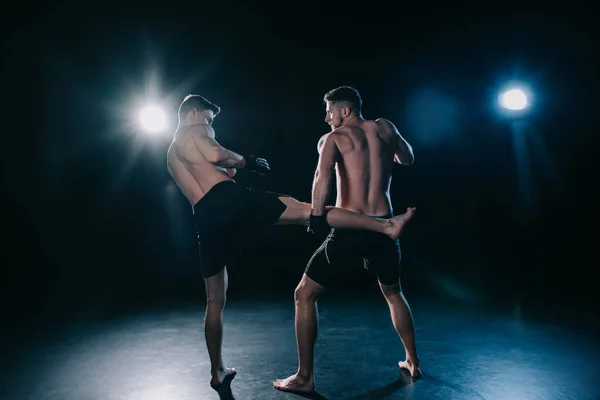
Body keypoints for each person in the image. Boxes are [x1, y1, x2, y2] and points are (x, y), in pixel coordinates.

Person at [166, 94, 416, 390]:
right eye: (208, 118)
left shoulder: (171, 154)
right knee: (308, 212)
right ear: (193, 112)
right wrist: (249, 162)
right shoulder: (196, 129)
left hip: (205, 218)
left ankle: (218, 371)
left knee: (215, 299)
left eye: (329, 112)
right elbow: (217, 155)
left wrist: (233, 167)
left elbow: (212, 171)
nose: (210, 124)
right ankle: (386, 226)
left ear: (343, 111)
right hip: (230, 201)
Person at [273, 86, 421, 394]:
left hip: (350, 230)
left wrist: (315, 217)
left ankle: (304, 378)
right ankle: (413, 362)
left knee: (304, 295)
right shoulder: (385, 127)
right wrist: (386, 145)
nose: (326, 118)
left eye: (329, 111)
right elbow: (407, 159)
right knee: (394, 294)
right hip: (385, 221)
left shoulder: (333, 139)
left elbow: (321, 177)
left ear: (345, 110)